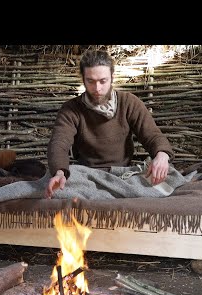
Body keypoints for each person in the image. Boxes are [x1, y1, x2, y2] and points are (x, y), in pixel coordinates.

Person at [45, 49, 174, 199]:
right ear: (83, 79)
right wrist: (60, 172)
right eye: (91, 81)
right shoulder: (71, 109)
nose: (97, 88)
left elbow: (152, 135)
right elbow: (59, 143)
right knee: (54, 188)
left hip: (124, 175)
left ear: (112, 77)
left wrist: (162, 156)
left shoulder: (129, 102)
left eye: (103, 81)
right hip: (87, 176)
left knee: (170, 181)